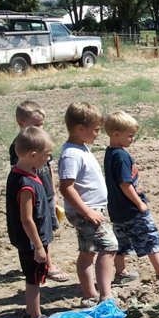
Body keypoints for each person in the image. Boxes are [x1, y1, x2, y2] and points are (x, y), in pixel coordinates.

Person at [57, 102, 125, 306]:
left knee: (87, 251)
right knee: (110, 247)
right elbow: (66, 187)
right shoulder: (71, 155)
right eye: (95, 130)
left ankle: (89, 294)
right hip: (86, 211)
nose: (98, 134)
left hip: (89, 210)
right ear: (80, 129)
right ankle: (106, 295)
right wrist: (87, 211)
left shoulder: (81, 148)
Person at [103, 111, 159, 281]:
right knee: (149, 235)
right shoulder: (121, 156)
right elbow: (125, 184)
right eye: (130, 136)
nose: (132, 139)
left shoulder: (110, 153)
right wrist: (139, 203)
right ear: (116, 134)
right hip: (131, 209)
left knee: (121, 242)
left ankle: (121, 272)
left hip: (116, 210)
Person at [9, 101, 70, 283]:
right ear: (22, 123)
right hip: (32, 195)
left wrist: (53, 190)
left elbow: (49, 167)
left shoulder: (42, 142)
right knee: (40, 231)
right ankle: (48, 265)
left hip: (46, 193)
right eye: (36, 125)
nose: (40, 128)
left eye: (42, 124)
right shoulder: (20, 146)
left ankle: (46, 262)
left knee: (48, 229)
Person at [6, 127, 56, 318]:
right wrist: (38, 246)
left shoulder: (19, 172)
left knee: (34, 274)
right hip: (30, 241)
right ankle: (34, 315)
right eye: (47, 156)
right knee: (33, 278)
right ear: (33, 155)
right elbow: (26, 219)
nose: (48, 160)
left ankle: (31, 310)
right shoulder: (25, 184)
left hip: (29, 239)